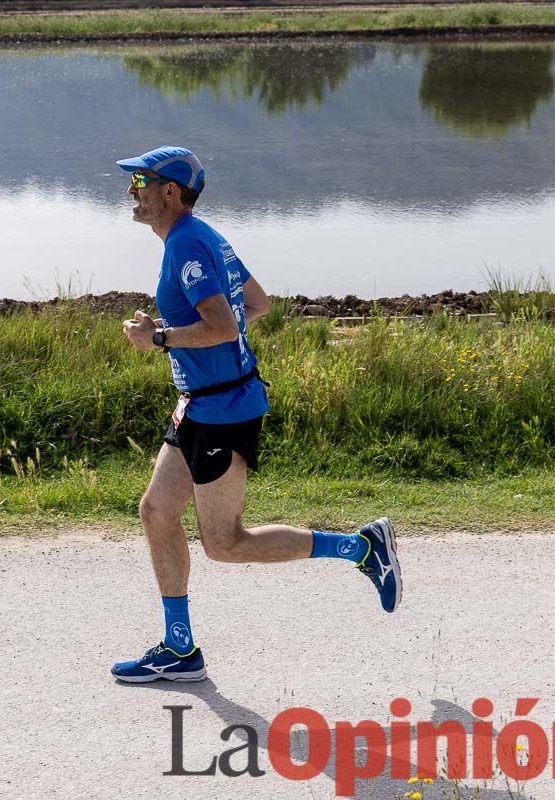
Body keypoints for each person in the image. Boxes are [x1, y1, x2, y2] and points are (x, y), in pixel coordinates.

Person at [111, 145, 401, 683]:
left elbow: (223, 324)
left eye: (141, 182)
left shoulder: (188, 244)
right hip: (199, 404)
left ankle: (361, 548)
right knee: (156, 511)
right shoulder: (200, 238)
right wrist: (190, 337)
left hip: (223, 410)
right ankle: (180, 650)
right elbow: (258, 302)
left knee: (224, 543)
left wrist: (158, 337)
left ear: (169, 192)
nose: (132, 191)